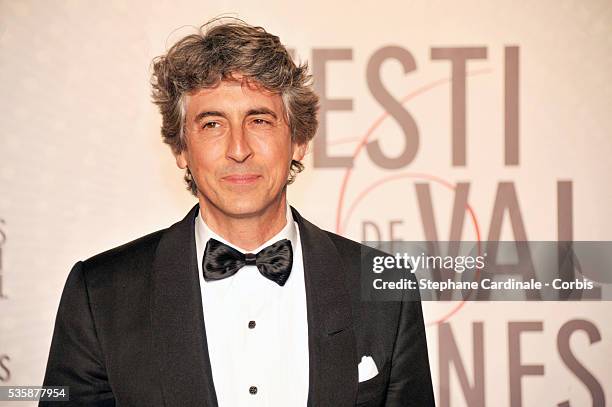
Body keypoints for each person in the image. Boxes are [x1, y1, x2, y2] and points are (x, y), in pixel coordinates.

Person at [41, 18, 435, 407]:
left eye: (259, 120)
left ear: (299, 140)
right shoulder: (100, 293)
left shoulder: (385, 290)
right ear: (181, 150)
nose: (238, 149)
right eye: (212, 124)